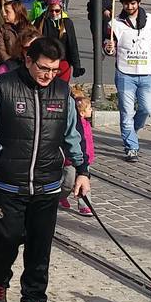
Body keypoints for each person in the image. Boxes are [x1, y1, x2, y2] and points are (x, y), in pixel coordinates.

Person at [0, 36, 91, 302]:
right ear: (28, 60)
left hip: (47, 185)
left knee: (40, 248)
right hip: (10, 184)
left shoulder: (62, 92)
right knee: (8, 239)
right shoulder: (3, 86)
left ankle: (32, 301)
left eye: (54, 70)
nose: (48, 75)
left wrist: (82, 170)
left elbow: (75, 134)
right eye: (43, 68)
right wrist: (0, 157)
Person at [104, 0, 151, 162]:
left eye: (132, 3)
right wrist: (109, 48)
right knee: (126, 112)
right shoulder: (114, 24)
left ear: (138, 2)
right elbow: (108, 47)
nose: (129, 7)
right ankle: (131, 147)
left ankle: (131, 130)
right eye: (126, 4)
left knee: (148, 108)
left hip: (146, 72)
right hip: (125, 73)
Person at [59, 87, 95, 218]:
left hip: (85, 158)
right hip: (69, 160)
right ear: (81, 113)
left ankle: (85, 205)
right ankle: (59, 196)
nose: (91, 111)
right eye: (89, 109)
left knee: (84, 182)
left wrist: (87, 159)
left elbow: (88, 142)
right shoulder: (74, 122)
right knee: (67, 182)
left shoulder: (87, 124)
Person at [33, 0, 81, 78]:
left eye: (57, 11)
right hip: (45, 62)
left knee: (62, 88)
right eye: (51, 10)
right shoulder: (41, 21)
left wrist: (77, 66)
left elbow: (72, 44)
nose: (54, 13)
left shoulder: (67, 22)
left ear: (61, 9)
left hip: (63, 62)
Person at [0, 0, 28, 65]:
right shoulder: (2, 29)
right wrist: (11, 64)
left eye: (7, 12)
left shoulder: (29, 28)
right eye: (4, 11)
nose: (4, 14)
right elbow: (1, 51)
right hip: (8, 66)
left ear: (17, 12)